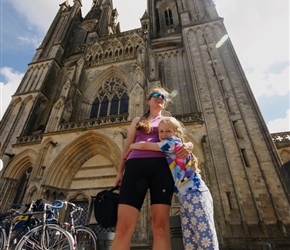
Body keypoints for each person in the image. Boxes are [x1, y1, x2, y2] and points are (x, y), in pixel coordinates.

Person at [112, 87, 193, 250]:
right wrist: (120, 172)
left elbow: (182, 142)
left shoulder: (168, 121)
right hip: (135, 168)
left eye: (163, 97)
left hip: (162, 170)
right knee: (122, 228)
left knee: (160, 227)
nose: (160, 98)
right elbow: (127, 146)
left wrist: (189, 146)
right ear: (148, 101)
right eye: (156, 95)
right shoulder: (137, 121)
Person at [128, 117, 219, 250]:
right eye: (161, 131)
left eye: (168, 131)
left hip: (196, 193)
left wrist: (131, 145)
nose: (164, 134)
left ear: (176, 133)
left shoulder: (172, 143)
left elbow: (144, 145)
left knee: (205, 238)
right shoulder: (172, 145)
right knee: (190, 240)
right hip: (185, 196)